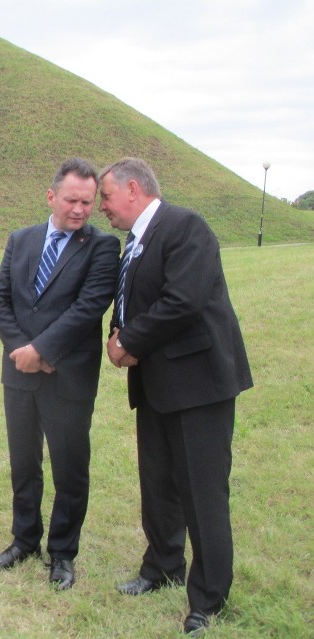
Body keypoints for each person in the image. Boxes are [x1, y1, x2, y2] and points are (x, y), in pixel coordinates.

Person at [99, 157, 253, 637]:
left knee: (202, 491)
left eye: (105, 197)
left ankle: (208, 598)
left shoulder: (186, 226)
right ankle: (162, 566)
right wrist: (116, 334)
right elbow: (129, 299)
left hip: (198, 385)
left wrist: (128, 343)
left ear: (131, 188)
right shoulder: (135, 241)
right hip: (157, 386)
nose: (103, 207)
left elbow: (182, 301)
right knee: (158, 484)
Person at [0, 158, 120, 589]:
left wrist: (42, 351)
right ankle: (24, 539)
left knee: (70, 469)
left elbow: (89, 307)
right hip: (19, 375)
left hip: (68, 377)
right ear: (51, 196)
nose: (81, 209)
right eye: (71, 200)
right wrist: (20, 351)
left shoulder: (102, 247)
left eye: (87, 201)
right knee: (23, 464)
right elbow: (1, 300)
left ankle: (62, 552)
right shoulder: (20, 240)